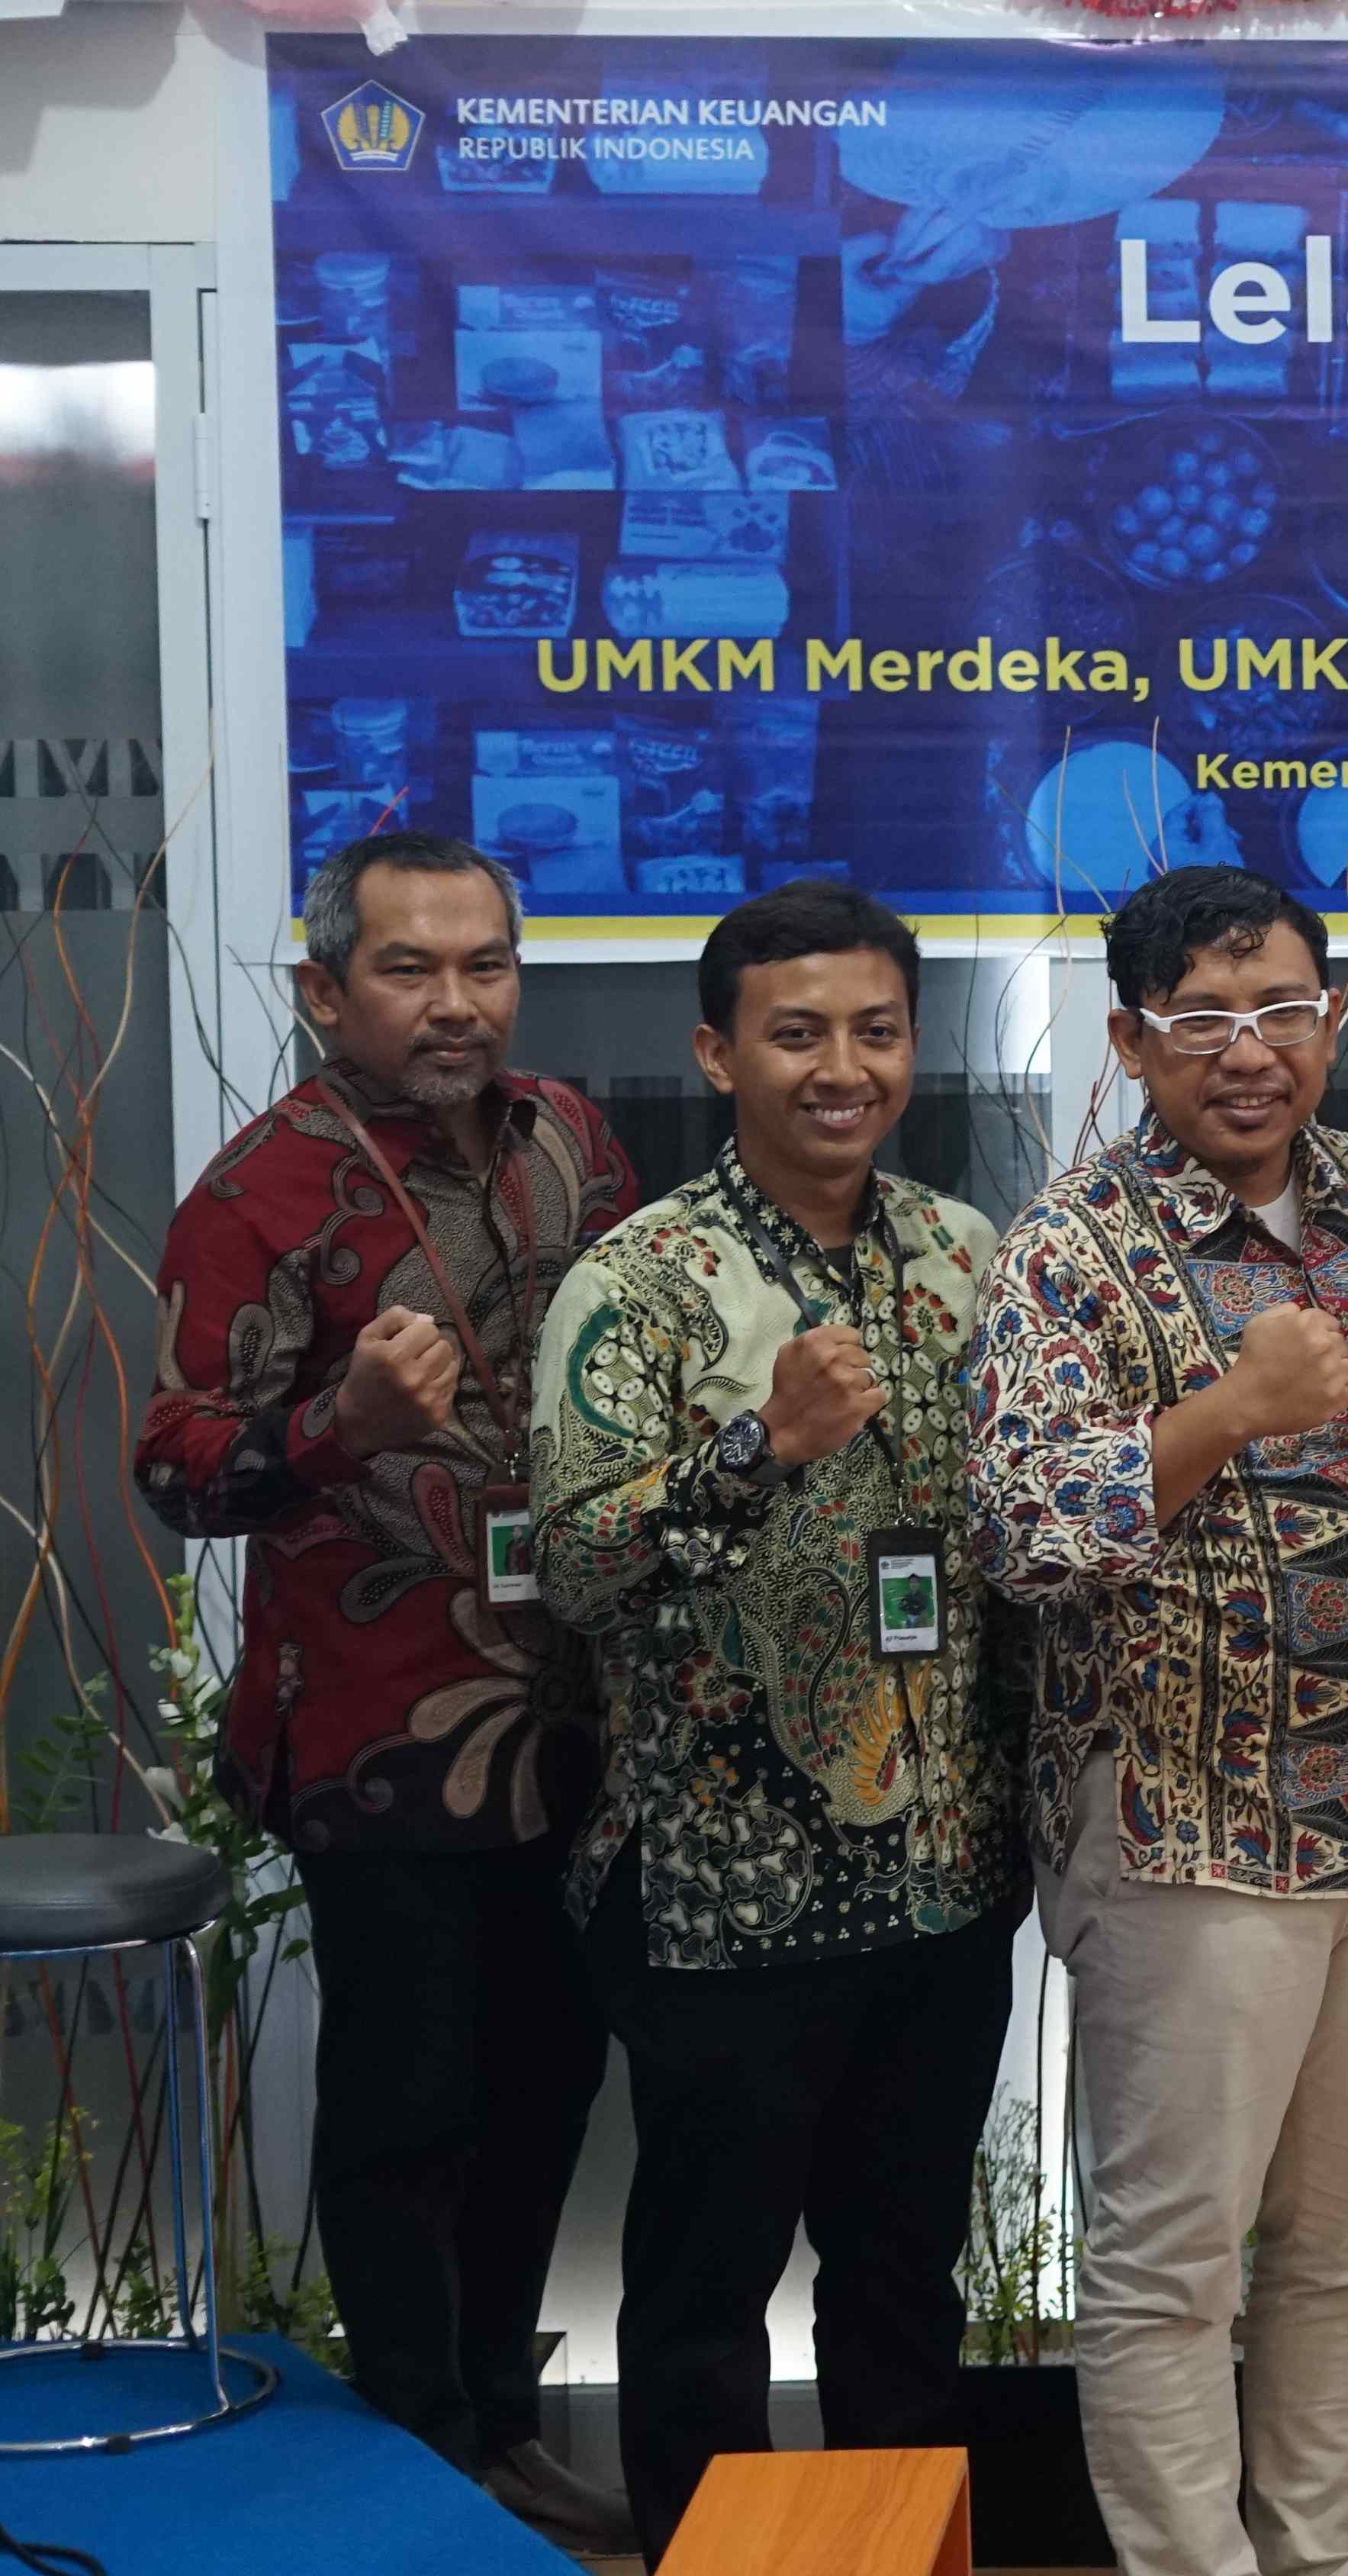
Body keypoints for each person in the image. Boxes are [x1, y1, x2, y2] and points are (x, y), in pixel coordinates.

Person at [134, 829, 639, 2552]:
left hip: (578, 1718)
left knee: (550, 2082)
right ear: (323, 989)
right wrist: (335, 1425)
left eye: (483, 965)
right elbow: (174, 1465)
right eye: (408, 969)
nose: (453, 1003)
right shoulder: (259, 1192)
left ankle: (501, 2413)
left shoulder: (572, 1139)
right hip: (379, 1729)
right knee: (408, 2105)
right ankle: (422, 2450)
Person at [966, 866, 1348, 2576]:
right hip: (1189, 1827)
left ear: (1331, 1019)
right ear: (1130, 1043)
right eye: (1202, 1022)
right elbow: (1023, 1530)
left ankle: (1319, 2557)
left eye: (1282, 1013)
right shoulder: (1070, 1247)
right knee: (1172, 2267)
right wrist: (1225, 1413)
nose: (1249, 1053)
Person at [527, 884, 1017, 2559]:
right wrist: (764, 1446)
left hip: (942, 1881)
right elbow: (574, 1565)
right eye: (797, 1032)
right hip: (718, 1889)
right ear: (716, 1052)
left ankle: (907, 2553)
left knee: (906, 2286)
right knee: (702, 2297)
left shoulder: (966, 1255)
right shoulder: (642, 1280)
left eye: (876, 1031)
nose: (842, 1067)